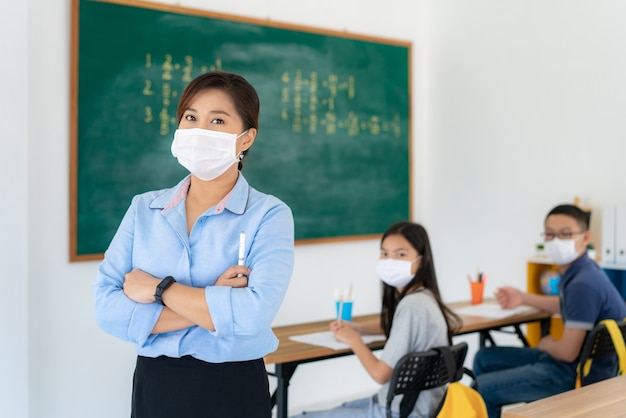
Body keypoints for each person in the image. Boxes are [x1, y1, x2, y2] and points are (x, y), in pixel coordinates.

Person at [93, 71, 294, 418]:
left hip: (232, 385)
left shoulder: (269, 214)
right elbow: (107, 309)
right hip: (155, 383)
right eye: (191, 117)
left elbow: (252, 316)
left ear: (246, 138)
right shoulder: (144, 209)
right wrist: (214, 301)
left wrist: (159, 289)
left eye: (217, 119)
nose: (200, 130)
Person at [293, 222, 462, 418]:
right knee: (331, 409)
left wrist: (353, 339)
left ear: (422, 260)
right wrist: (357, 328)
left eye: (400, 255)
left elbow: (379, 374)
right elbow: (397, 327)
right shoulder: (425, 298)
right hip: (417, 406)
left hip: (398, 411)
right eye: (384, 254)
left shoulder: (411, 306)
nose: (390, 261)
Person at [473, 204, 626, 418]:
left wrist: (547, 344)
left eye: (565, 234)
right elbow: (568, 306)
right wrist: (523, 297)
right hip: (580, 366)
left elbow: (566, 351)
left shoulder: (582, 284)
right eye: (550, 234)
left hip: (575, 375)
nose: (556, 241)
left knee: (481, 388)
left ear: (585, 237)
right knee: (484, 358)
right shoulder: (584, 271)